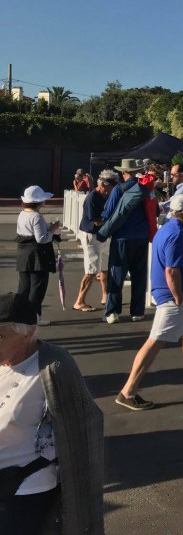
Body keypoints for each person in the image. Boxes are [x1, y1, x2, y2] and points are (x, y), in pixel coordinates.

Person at [0, 292, 104, 534]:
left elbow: (82, 426)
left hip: (25, 486)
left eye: (0, 335)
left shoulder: (54, 365)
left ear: (28, 332)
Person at [115, 193, 183, 411]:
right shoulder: (177, 234)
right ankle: (128, 391)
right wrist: (178, 297)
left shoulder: (169, 229)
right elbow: (171, 270)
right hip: (173, 297)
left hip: (176, 296)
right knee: (154, 342)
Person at [97, 159, 151, 325]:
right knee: (139, 275)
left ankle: (112, 312)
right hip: (142, 235)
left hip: (122, 237)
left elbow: (108, 213)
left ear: (123, 172)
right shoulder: (145, 189)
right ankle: (137, 311)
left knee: (117, 275)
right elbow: (154, 211)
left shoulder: (119, 189)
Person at [16, 187, 61, 326]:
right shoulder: (37, 216)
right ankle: (35, 317)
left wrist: (47, 228)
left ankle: (22, 316)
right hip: (37, 255)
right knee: (37, 288)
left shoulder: (22, 213)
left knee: (24, 287)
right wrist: (52, 229)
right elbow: (41, 239)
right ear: (38, 201)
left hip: (23, 253)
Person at [75, 171, 118, 312]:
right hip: (91, 236)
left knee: (105, 266)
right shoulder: (92, 198)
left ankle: (105, 295)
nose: (112, 191)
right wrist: (113, 220)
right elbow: (96, 221)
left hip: (103, 235)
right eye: (111, 187)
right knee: (91, 270)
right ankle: (79, 301)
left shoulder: (106, 195)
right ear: (103, 185)